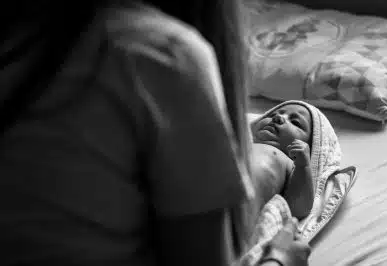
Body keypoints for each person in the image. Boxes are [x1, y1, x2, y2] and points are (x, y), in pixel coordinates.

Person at [0, 1, 310, 265]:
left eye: (297, 121)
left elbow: (301, 204)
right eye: (281, 113)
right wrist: (278, 260)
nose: (281, 117)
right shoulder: (163, 56)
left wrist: (301, 165)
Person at [251, 102, 314, 220]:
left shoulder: (292, 165)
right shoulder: (242, 142)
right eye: (272, 114)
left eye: (295, 122)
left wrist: (303, 166)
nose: (278, 117)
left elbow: (299, 209)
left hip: (237, 204)